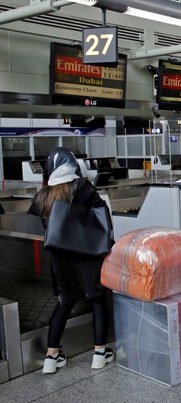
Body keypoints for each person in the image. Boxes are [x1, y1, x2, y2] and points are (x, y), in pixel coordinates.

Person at [28, 148, 113, 374]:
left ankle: (51, 356)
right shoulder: (84, 187)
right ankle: (99, 354)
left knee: (64, 302)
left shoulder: (44, 195)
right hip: (86, 255)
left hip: (60, 259)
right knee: (97, 301)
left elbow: (47, 227)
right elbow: (103, 216)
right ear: (73, 164)